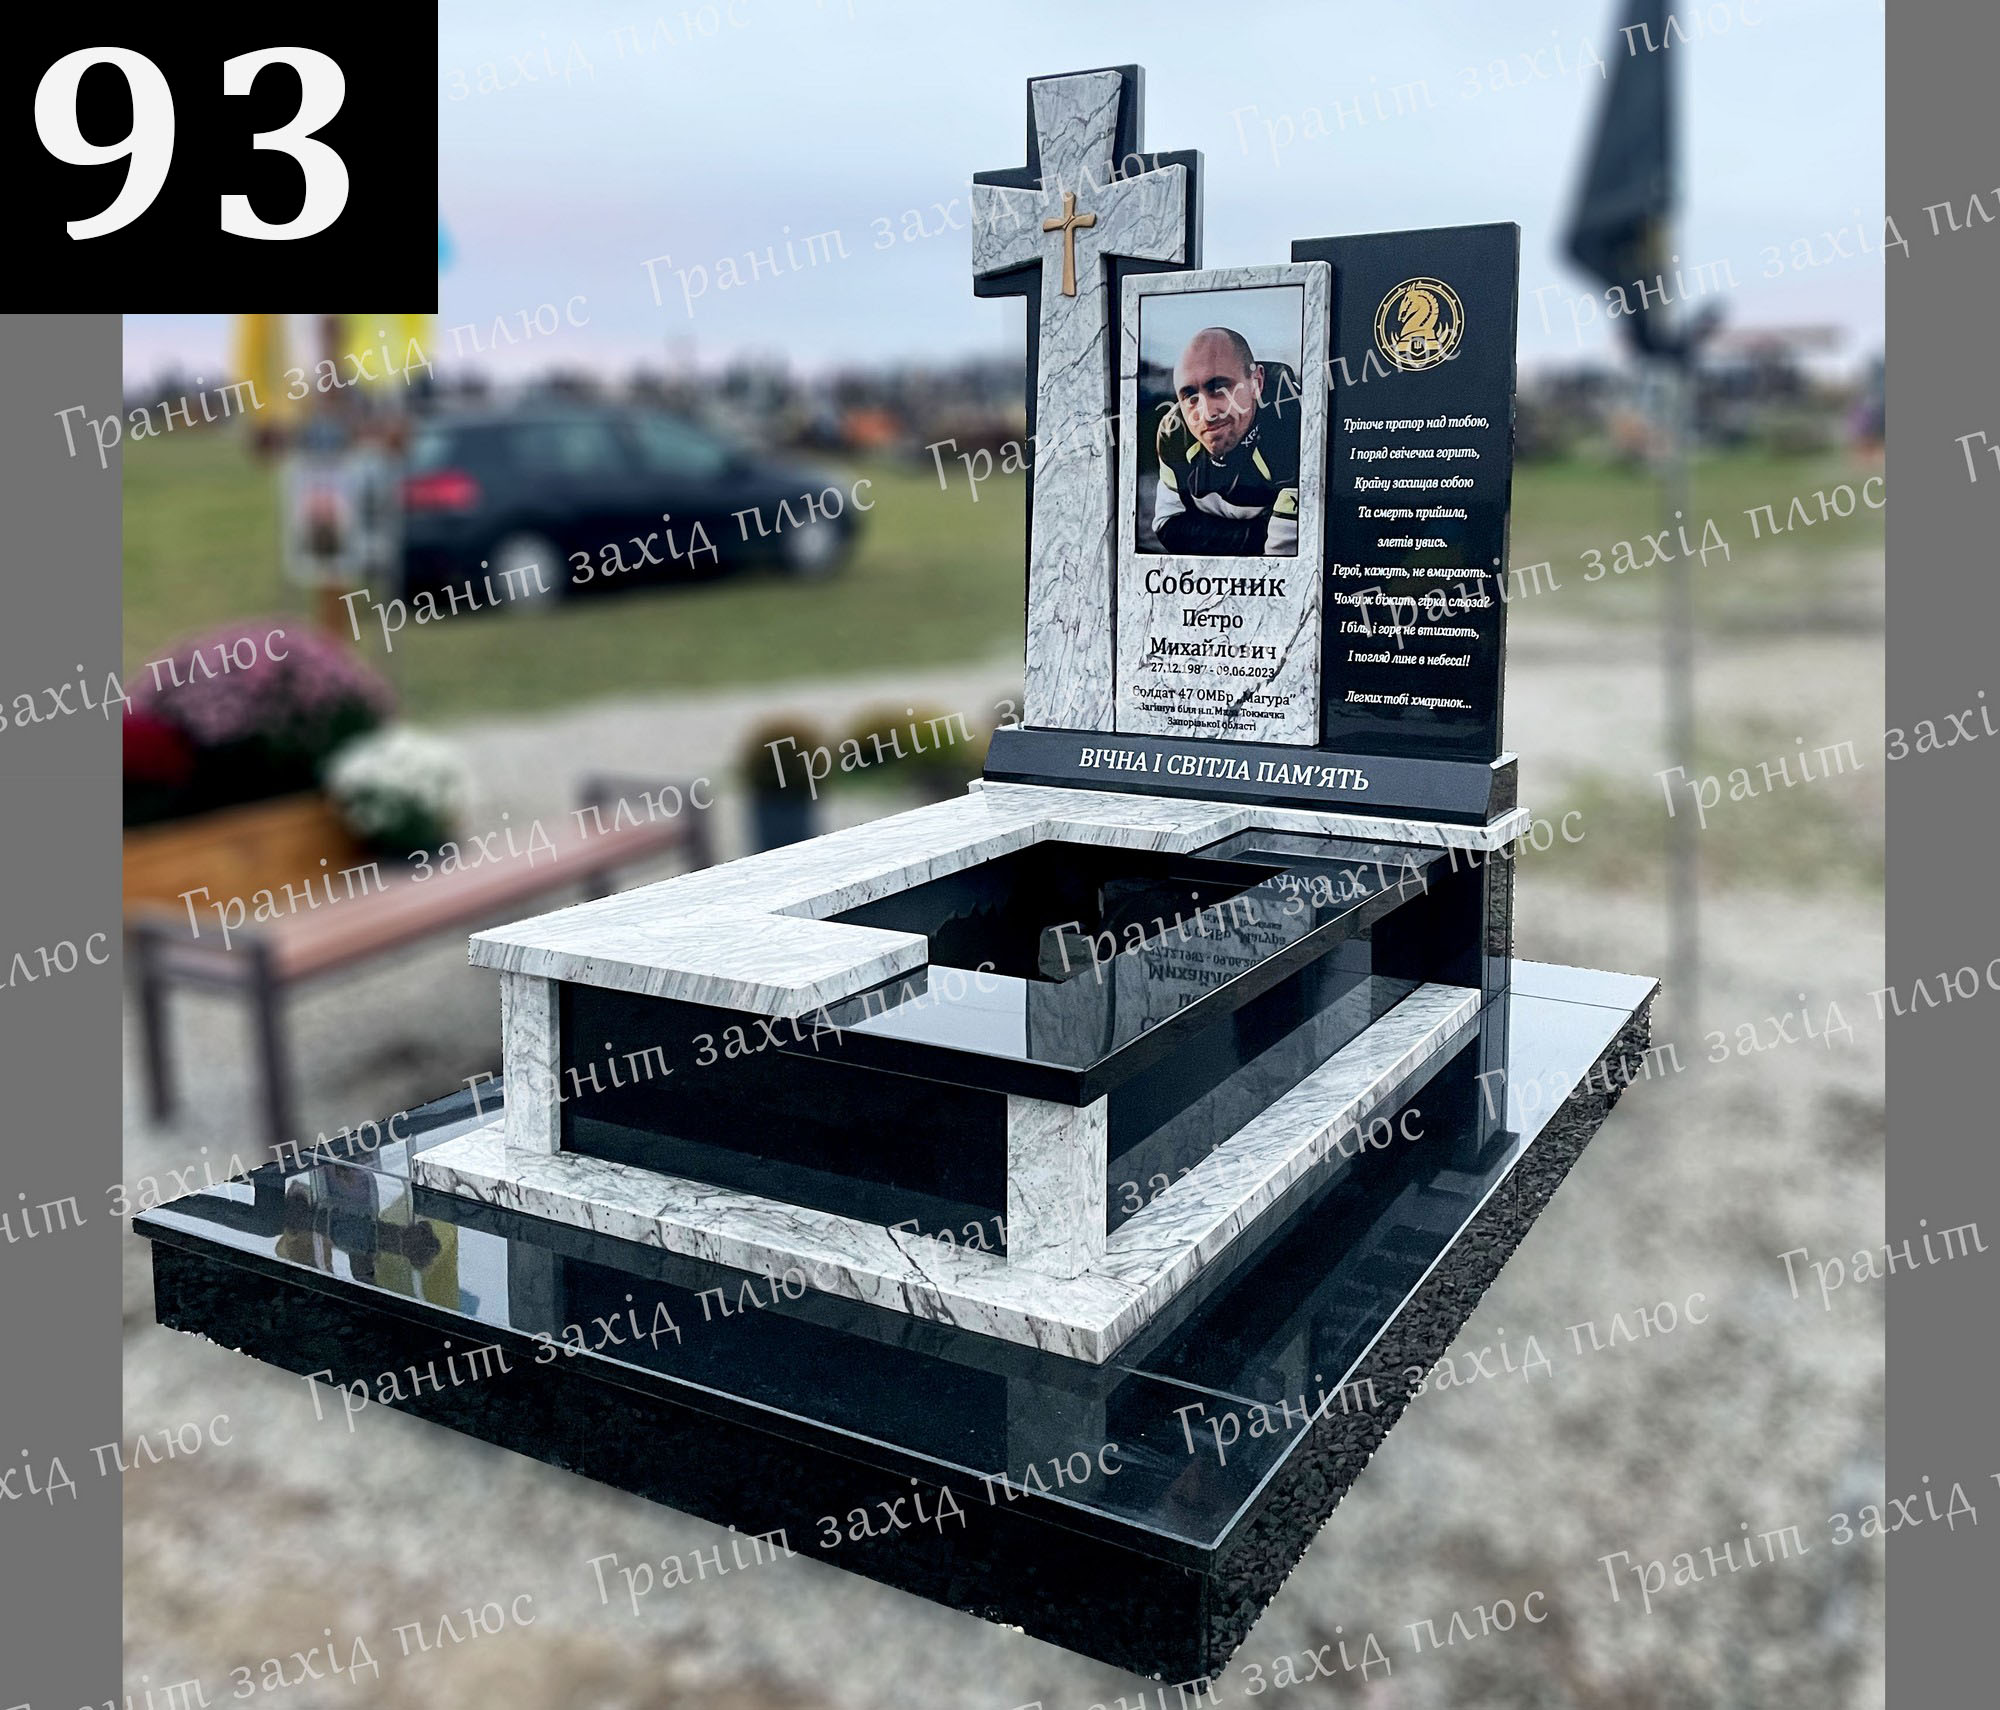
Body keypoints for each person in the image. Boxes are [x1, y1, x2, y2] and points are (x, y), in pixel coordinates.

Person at [1150, 326, 1300, 556]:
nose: (1207, 413)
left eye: (1219, 388)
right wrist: (1258, 533)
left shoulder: (1296, 424)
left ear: (1257, 382)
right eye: (1190, 396)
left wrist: (1206, 529)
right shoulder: (1174, 434)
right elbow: (1168, 525)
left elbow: (1281, 559)